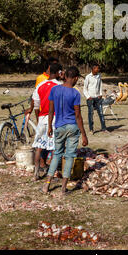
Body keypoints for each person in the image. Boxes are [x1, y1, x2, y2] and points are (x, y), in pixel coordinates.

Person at [42, 66, 88, 195]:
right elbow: (78, 116)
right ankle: (63, 188)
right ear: (76, 78)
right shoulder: (75, 93)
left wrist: (50, 126)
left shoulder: (54, 90)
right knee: (69, 157)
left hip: (59, 126)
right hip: (72, 127)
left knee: (57, 154)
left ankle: (47, 185)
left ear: (65, 76)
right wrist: (84, 135)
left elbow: (51, 110)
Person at [32, 63, 62, 180]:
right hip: (54, 118)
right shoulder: (59, 86)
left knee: (39, 146)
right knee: (54, 147)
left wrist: (38, 118)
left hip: (42, 118)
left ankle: (36, 174)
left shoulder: (40, 85)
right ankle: (53, 172)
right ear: (58, 72)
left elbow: (35, 104)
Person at [83, 63, 108, 134]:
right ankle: (91, 129)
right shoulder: (88, 77)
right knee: (90, 113)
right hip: (90, 98)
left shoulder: (99, 76)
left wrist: (100, 94)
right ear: (93, 69)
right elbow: (85, 88)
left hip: (98, 98)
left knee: (101, 113)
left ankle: (104, 128)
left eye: (98, 68)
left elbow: (100, 85)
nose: (98, 69)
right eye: (97, 68)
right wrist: (88, 97)